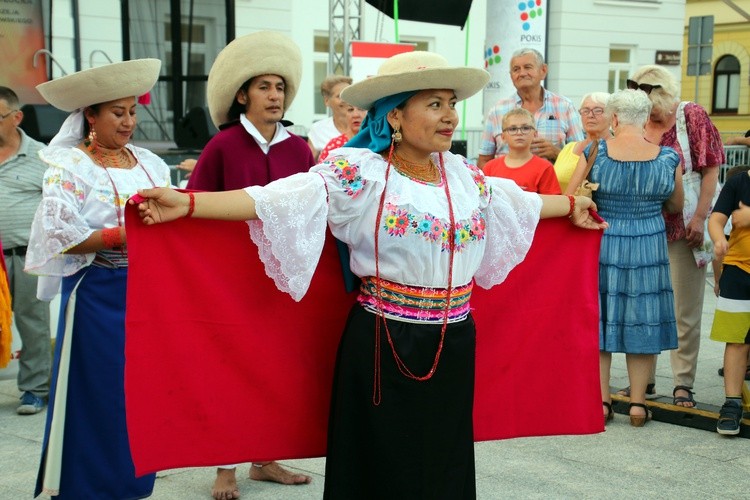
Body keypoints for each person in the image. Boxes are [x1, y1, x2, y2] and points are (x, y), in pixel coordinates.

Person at [132, 50, 607, 498]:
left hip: (454, 341)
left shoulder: (464, 176)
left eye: (452, 104)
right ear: (395, 117)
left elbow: (518, 203)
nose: (450, 116)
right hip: (383, 340)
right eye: (434, 104)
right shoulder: (360, 175)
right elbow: (271, 198)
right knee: (384, 466)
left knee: (444, 462)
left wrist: (572, 204)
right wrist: (189, 202)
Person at [24, 59, 171, 499]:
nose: (128, 122)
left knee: (140, 395)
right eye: (117, 113)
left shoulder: (149, 164)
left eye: (132, 111)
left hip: (147, 295)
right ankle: (84, 488)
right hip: (96, 295)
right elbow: (59, 236)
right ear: (90, 115)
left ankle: (132, 485)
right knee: (96, 395)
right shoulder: (69, 165)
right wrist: (127, 234)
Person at [184, 31, 314, 500]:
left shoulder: (300, 150)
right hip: (228, 279)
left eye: (280, 87)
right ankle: (225, 466)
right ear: (243, 95)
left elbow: (310, 211)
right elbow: (195, 205)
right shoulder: (222, 146)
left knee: (272, 368)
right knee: (227, 366)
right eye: (264, 87)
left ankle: (265, 459)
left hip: (278, 277)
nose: (275, 95)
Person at [567, 89, 683, 427]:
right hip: (649, 241)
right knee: (643, 315)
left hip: (605, 239)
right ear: (646, 119)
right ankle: (637, 403)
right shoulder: (668, 158)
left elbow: (571, 196)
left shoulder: (594, 151)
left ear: (613, 119)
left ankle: (602, 401)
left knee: (601, 316)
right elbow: (675, 205)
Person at [621, 65, 724, 408]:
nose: (641, 103)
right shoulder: (636, 123)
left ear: (661, 94)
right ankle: (644, 380)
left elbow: (711, 168)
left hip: (687, 225)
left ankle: (682, 383)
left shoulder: (689, 115)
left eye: (645, 96)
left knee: (685, 309)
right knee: (643, 306)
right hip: (647, 226)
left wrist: (700, 217)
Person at [0, 86, 52, 415]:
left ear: (17, 117)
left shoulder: (41, 157)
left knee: (33, 325)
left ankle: (35, 390)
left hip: (25, 255)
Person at [477, 48, 583, 167]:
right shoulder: (497, 111)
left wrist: (556, 153)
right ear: (511, 76)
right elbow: (484, 160)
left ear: (543, 70)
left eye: (528, 67)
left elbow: (581, 157)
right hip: (506, 184)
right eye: (516, 69)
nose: (522, 73)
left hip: (551, 184)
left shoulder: (564, 107)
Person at [708, 165, 750, 435]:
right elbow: (716, 219)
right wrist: (717, 239)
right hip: (738, 270)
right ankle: (732, 403)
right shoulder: (738, 182)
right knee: (736, 340)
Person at [482, 108, 561, 194]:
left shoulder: (545, 168)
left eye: (525, 128)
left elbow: (553, 203)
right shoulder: (489, 168)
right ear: (503, 137)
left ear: (535, 134)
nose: (519, 132)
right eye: (512, 129)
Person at [554, 92, 612, 193]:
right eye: (585, 111)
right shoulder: (568, 148)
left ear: (612, 116)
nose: (590, 115)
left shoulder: (616, 149)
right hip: (565, 207)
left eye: (598, 111)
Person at [308, 75, 353, 159]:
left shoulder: (366, 127)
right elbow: (308, 163)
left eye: (348, 94)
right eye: (339, 96)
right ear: (327, 101)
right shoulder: (318, 129)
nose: (345, 100)